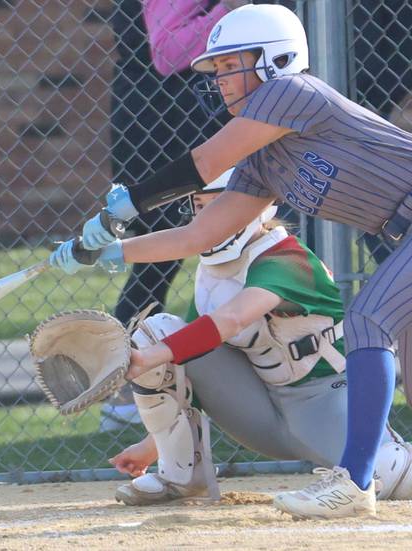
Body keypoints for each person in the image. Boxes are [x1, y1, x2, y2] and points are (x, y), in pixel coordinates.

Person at [52, 4, 412, 519]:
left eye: (233, 65)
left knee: (369, 319)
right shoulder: (263, 160)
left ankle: (353, 484)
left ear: (275, 60)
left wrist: (130, 203)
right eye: (218, 69)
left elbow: (204, 163)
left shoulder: (291, 91)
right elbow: (200, 233)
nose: (222, 79)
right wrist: (107, 249)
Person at [105, 170, 412, 505]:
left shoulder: (285, 258)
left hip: (325, 400)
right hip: (260, 407)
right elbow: (190, 361)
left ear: (253, 205)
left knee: (391, 475)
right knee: (156, 332)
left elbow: (233, 319)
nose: (206, 218)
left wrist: (148, 359)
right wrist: (152, 445)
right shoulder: (213, 272)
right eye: (199, 207)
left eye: (217, 205)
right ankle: (182, 475)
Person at [99, 0, 243, 431]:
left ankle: (239, 383)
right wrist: (234, 11)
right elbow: (168, 53)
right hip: (161, 129)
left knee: (241, 253)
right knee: (157, 262)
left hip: (206, 125)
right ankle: (128, 390)